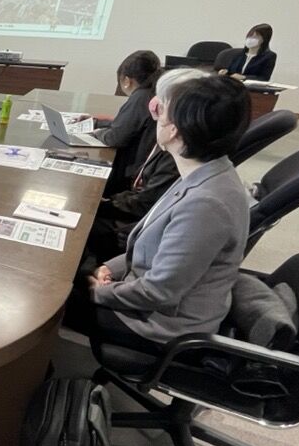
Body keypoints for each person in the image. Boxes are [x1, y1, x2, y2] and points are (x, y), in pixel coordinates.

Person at [85, 75, 251, 349]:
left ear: (174, 129)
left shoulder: (206, 204)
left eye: (162, 110)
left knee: (51, 293)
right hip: (144, 295)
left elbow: (158, 292)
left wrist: (99, 292)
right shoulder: (204, 172)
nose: (156, 115)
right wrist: (109, 268)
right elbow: (150, 249)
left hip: (159, 326)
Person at [81, 68, 201, 269]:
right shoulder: (169, 145)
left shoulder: (179, 158)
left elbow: (146, 203)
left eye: (161, 105)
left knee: (81, 221)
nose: (152, 109)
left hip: (136, 232)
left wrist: (100, 204)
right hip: (138, 220)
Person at [92, 50, 162, 188]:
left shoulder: (140, 98)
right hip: (143, 168)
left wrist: (96, 133)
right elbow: (128, 125)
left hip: (127, 174)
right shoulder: (153, 92)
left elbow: (115, 138)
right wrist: (97, 123)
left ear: (126, 80)